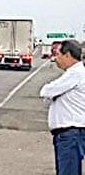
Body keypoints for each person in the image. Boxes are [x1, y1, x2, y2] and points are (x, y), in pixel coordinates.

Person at [40, 40, 85, 175]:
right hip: (71, 135)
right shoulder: (76, 73)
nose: (55, 59)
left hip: (71, 135)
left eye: (58, 54)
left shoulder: (75, 74)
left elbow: (46, 91)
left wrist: (50, 91)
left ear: (68, 55)